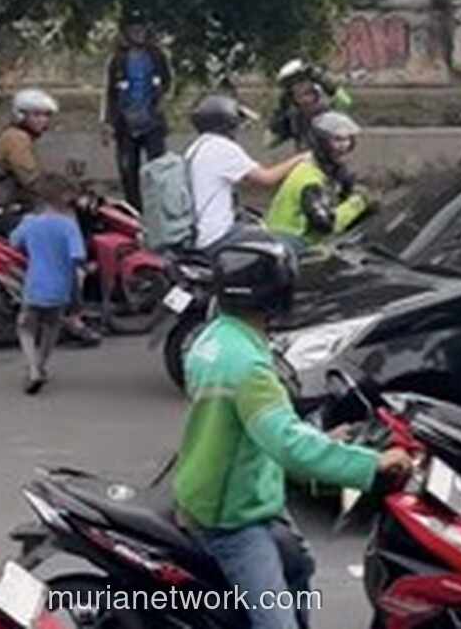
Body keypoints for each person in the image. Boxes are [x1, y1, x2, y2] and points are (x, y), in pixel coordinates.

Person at [173, 234, 413, 629]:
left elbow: (261, 425)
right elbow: (288, 446)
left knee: (299, 566)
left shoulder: (212, 338)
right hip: (231, 517)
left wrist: (322, 438)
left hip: (229, 490)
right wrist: (373, 463)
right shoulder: (249, 366)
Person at [186, 95, 309, 256]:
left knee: (260, 226)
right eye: (236, 123)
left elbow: (244, 180)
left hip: (203, 234)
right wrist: (302, 158)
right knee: (295, 244)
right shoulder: (222, 147)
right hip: (219, 236)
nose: (238, 129)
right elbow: (267, 179)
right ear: (226, 123)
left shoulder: (197, 147)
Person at [9, 173, 87, 395]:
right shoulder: (69, 226)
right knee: (52, 326)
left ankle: (32, 369)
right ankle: (42, 364)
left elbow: (14, 243)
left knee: (25, 326)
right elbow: (78, 257)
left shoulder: (30, 223)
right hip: (61, 287)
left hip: (35, 285)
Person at [265, 111, 370, 253]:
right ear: (322, 143)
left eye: (348, 139)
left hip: (298, 240)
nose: (344, 146)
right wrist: (358, 202)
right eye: (338, 140)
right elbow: (325, 225)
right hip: (290, 243)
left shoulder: (329, 170)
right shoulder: (309, 180)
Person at [100, 7, 173, 211]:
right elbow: (110, 93)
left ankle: (159, 209)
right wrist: (108, 123)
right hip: (125, 122)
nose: (137, 33)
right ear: (125, 32)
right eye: (133, 29)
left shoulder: (157, 56)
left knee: (157, 168)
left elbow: (167, 82)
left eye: (141, 29)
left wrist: (158, 103)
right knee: (128, 169)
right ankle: (134, 209)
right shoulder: (118, 59)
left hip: (151, 120)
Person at [0, 88, 60, 210]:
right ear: (21, 116)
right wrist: (70, 196)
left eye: (47, 115)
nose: (43, 120)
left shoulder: (18, 136)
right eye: (37, 115)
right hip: (1, 208)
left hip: (6, 204)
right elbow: (32, 181)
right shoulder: (16, 139)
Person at [266, 59, 352, 151]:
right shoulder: (294, 116)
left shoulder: (326, 112)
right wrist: (280, 118)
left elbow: (345, 102)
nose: (306, 100)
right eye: (299, 95)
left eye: (308, 93)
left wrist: (330, 86)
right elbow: (269, 142)